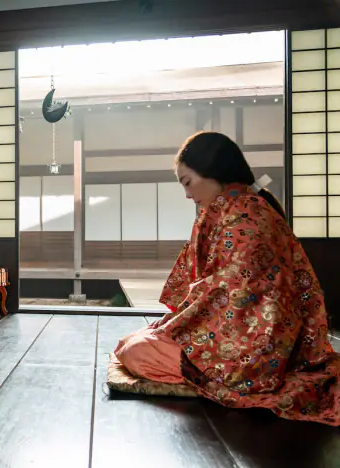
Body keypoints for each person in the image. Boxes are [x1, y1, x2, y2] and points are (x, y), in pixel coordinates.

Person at [114, 131, 339, 427]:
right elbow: (217, 286)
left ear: (212, 171)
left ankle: (203, 376)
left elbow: (228, 295)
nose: (187, 194)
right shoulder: (237, 208)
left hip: (254, 353)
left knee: (136, 351)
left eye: (187, 182)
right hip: (249, 337)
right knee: (134, 342)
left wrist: (177, 328)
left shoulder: (246, 217)